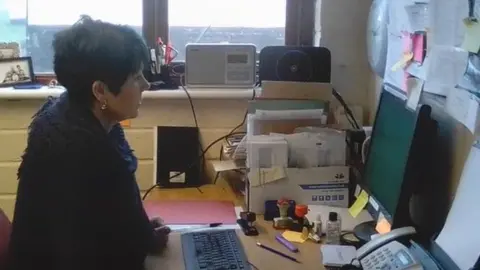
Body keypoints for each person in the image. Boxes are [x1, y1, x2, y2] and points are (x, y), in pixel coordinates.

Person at [7, 16, 169, 270]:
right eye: (136, 77)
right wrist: (143, 238)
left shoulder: (82, 118)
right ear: (100, 91)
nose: (145, 85)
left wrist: (144, 232)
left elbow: (114, 217)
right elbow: (96, 254)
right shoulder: (79, 152)